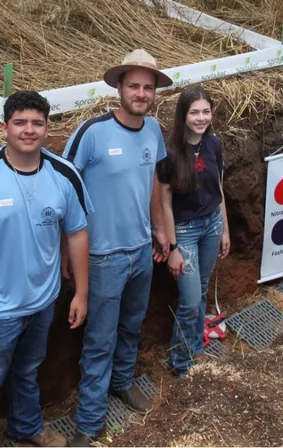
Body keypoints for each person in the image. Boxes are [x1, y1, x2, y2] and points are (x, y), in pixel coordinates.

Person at [0, 90, 93, 447]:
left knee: (27, 372)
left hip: (43, 301)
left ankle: (26, 428)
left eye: (37, 123)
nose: (28, 130)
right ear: (5, 128)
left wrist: (82, 294)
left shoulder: (64, 175)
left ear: (47, 129)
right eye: (20, 123)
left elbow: (77, 234)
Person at [63, 49, 172, 446]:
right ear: (119, 88)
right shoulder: (92, 133)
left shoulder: (154, 131)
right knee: (99, 340)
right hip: (103, 257)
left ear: (154, 92)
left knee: (131, 326)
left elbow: (153, 188)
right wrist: (67, 251)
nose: (141, 93)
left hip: (141, 250)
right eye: (134, 85)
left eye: (148, 87)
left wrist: (159, 230)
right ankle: (90, 423)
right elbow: (65, 193)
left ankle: (122, 382)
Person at [156, 85, 231, 377]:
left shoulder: (214, 145)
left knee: (200, 289)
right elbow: (165, 204)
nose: (201, 118)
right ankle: (181, 361)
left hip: (212, 223)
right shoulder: (170, 153)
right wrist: (173, 248)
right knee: (188, 300)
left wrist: (224, 229)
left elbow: (219, 190)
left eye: (206, 111)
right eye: (194, 112)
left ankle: (196, 348)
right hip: (185, 232)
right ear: (183, 115)